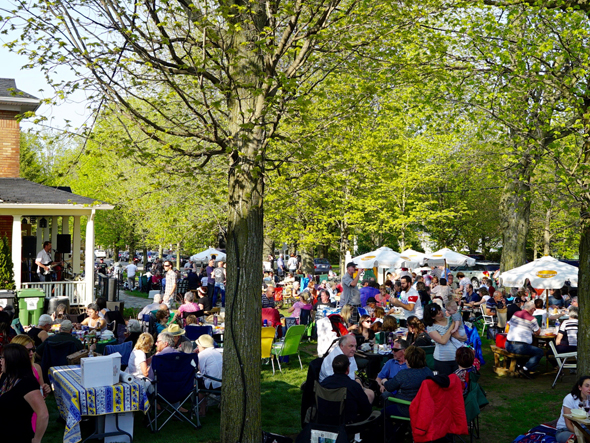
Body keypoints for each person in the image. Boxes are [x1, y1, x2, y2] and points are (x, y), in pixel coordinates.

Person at [0, 344, 49, 443]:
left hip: (17, 436)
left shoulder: (27, 383)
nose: (0, 361)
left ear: (12, 360)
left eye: (2, 358)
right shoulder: (7, 376)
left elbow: (43, 415)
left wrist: (37, 439)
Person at [10, 335, 51, 432]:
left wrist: (46, 389)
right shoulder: (8, 372)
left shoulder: (36, 368)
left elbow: (41, 392)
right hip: (16, 415)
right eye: (27, 350)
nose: (32, 353)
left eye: (33, 349)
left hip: (35, 412)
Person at [319, 335, 375, 404]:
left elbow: (353, 374)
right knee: (366, 396)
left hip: (346, 386)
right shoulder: (336, 359)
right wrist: (356, 389)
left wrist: (361, 387)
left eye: (355, 346)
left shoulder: (348, 354)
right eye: (351, 346)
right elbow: (335, 382)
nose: (354, 349)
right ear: (342, 346)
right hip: (333, 392)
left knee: (370, 393)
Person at [320, 354, 372, 424]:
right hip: (347, 424)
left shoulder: (324, 383)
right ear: (347, 369)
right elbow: (366, 409)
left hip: (324, 421)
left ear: (333, 368)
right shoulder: (353, 386)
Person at [383, 346, 433, 418]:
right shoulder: (428, 371)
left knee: (383, 411)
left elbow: (389, 387)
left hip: (407, 407)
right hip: (424, 407)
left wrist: (384, 381)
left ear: (408, 360)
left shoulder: (404, 374)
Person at [424, 303, 466, 376]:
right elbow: (443, 341)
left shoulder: (450, 319)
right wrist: (452, 325)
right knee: (445, 383)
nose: (442, 313)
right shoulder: (431, 327)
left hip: (458, 358)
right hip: (442, 360)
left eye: (440, 311)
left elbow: (464, 337)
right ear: (433, 317)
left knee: (459, 382)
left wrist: (458, 337)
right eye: (438, 314)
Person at [506, 301, 543, 377]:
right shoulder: (532, 319)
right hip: (519, 347)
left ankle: (520, 366)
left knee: (527, 347)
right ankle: (526, 369)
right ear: (532, 309)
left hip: (508, 344)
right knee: (539, 352)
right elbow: (537, 332)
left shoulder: (516, 314)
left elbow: (509, 324)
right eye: (534, 309)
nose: (534, 311)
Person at [555, 376, 590, 443]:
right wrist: (583, 435)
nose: (589, 389)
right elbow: (568, 424)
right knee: (574, 440)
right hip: (566, 429)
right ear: (580, 387)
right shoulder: (570, 398)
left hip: (585, 428)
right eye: (587, 386)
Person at [195, 334, 222, 417]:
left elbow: (201, 371)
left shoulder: (202, 355)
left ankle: (202, 410)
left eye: (198, 345)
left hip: (213, 383)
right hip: (222, 382)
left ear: (202, 346)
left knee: (197, 385)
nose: (197, 346)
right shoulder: (217, 352)